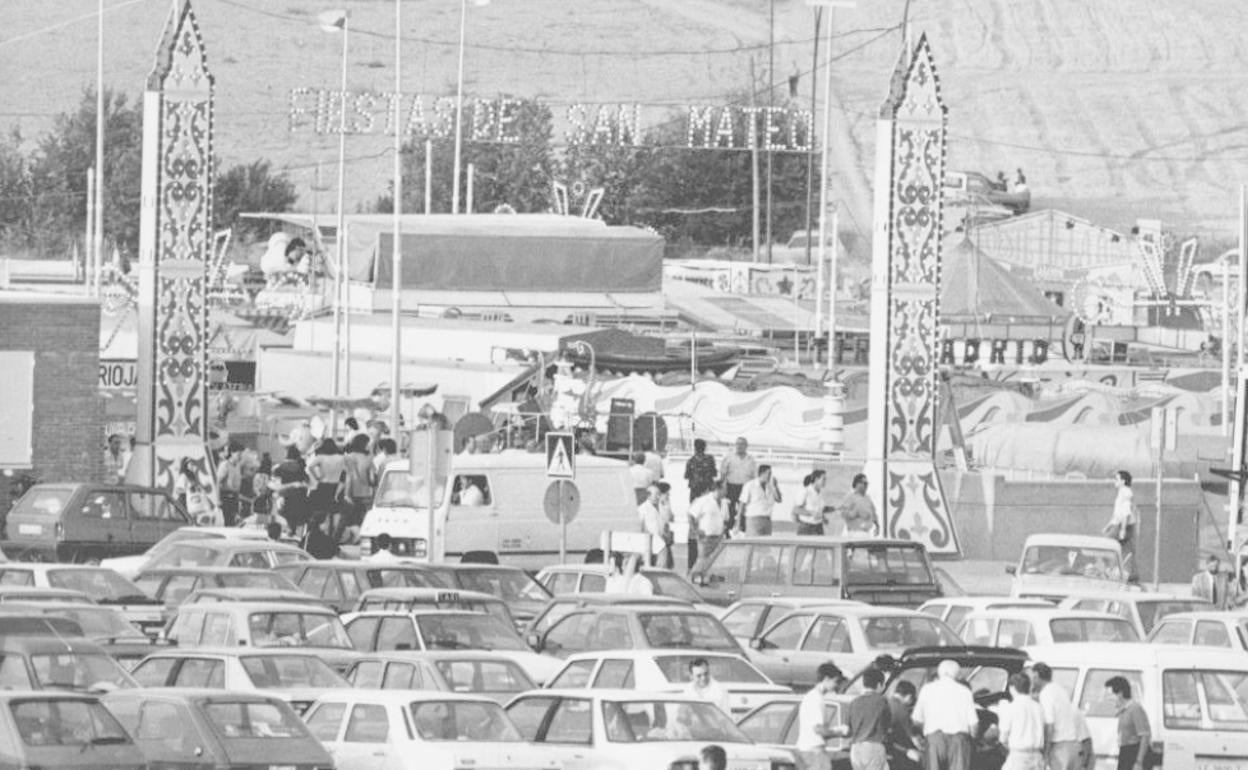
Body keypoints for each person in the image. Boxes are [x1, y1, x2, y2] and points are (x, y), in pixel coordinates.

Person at [912, 660, 978, 770]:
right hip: (959, 741)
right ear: (957, 674)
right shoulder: (965, 691)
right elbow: (974, 724)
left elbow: (916, 720)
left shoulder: (927, 689)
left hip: (934, 740)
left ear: (939, 673)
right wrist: (973, 740)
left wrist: (923, 735)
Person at [1031, 662, 1083, 770]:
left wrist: (1045, 753)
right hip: (1073, 745)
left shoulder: (1046, 693)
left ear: (1037, 677)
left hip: (1060, 747)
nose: (1032, 681)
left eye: (1033, 677)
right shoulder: (1060, 690)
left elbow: (1049, 725)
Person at [796, 662, 846, 770]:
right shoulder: (816, 699)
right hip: (814, 752)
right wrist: (840, 731)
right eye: (836, 681)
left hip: (805, 749)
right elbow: (818, 729)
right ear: (826, 679)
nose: (836, 686)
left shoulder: (810, 697)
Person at [845, 668, 891, 770]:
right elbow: (887, 725)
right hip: (873, 747)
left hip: (855, 749)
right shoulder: (881, 701)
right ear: (879, 685)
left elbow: (848, 729)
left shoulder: (854, 702)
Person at [998, 673, 1045, 770]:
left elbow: (1003, 738)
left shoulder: (1010, 708)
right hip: (1037, 757)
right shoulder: (1039, 707)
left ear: (1012, 688)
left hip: (1018, 756)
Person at [1105, 676, 1150, 770]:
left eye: (1111, 695)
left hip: (1133, 753)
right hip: (1124, 752)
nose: (1109, 699)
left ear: (1120, 694)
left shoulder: (1135, 709)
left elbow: (1145, 736)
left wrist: (1139, 762)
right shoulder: (1123, 711)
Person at [1103, 470, 1138, 580]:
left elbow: (1125, 513)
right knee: (1121, 549)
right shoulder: (1122, 492)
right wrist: (1109, 525)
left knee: (1108, 544)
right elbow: (1117, 514)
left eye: (1117, 479)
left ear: (1123, 481)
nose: (1115, 481)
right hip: (1120, 525)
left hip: (1124, 526)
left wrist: (1122, 529)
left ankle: (1112, 570)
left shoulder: (1125, 493)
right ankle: (1116, 570)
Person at [306, 439, 346, 535]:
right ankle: (332, 535)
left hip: (323, 486)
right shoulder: (341, 458)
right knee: (334, 513)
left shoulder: (321, 457)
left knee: (320, 513)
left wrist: (317, 477)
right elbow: (345, 473)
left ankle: (313, 534)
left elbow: (310, 467)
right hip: (336, 486)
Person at [719, 437, 757, 532]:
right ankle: (729, 530)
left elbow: (755, 477)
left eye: (742, 444)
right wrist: (721, 489)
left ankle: (743, 530)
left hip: (745, 488)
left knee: (745, 510)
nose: (739, 446)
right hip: (731, 487)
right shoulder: (728, 458)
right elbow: (723, 474)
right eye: (738, 444)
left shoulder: (751, 460)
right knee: (730, 511)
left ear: (746, 446)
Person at [271, 444, 310, 536]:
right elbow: (307, 484)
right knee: (296, 531)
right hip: (300, 502)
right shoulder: (302, 468)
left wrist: (290, 486)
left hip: (283, 501)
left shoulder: (278, 468)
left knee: (283, 530)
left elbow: (276, 486)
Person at [690, 481, 726, 574]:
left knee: (714, 563)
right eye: (724, 488)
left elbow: (725, 519)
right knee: (702, 561)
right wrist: (696, 530)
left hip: (719, 537)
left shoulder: (724, 502)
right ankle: (692, 578)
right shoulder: (704, 500)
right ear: (718, 489)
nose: (726, 491)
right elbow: (691, 515)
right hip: (706, 537)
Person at [887, 680, 923, 770]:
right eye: (911, 701)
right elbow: (913, 738)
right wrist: (922, 748)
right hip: (892, 748)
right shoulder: (902, 709)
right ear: (909, 697)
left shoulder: (886, 702)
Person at [739, 465, 781, 536]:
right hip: (753, 519)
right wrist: (738, 523)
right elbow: (742, 504)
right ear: (762, 473)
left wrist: (776, 486)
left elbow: (779, 499)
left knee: (766, 544)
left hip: (767, 519)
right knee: (753, 543)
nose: (770, 476)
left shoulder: (770, 486)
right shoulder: (750, 485)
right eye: (768, 473)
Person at [638, 484, 672, 568]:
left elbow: (665, 522)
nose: (658, 497)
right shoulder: (643, 509)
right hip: (649, 542)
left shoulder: (659, 507)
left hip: (660, 541)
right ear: (648, 495)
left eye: (659, 494)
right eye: (656, 494)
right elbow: (639, 527)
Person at [215, 441, 244, 527]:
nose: (240, 457)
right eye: (238, 454)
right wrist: (218, 500)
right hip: (226, 497)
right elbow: (218, 483)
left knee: (235, 522)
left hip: (234, 497)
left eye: (241, 454)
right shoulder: (225, 465)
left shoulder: (238, 466)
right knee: (228, 522)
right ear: (232, 453)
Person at [794, 470, 829, 535]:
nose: (825, 482)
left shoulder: (820, 493)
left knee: (821, 545)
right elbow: (796, 509)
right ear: (816, 479)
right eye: (823, 479)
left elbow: (819, 509)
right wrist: (811, 513)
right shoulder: (805, 491)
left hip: (819, 527)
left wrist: (823, 517)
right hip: (806, 528)